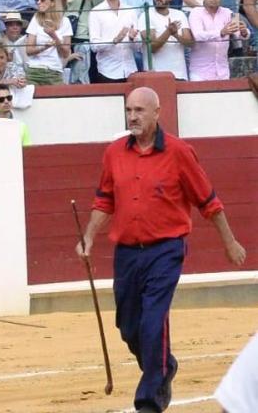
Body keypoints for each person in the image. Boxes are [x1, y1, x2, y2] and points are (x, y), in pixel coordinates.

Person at [77, 86, 246, 413]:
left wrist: (229, 241)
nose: (133, 116)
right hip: (126, 252)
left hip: (165, 250)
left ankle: (149, 402)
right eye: (129, 110)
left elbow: (207, 201)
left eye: (139, 110)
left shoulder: (179, 152)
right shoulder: (114, 153)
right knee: (129, 327)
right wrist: (88, 237)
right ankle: (163, 365)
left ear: (157, 113)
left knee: (153, 323)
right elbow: (104, 200)